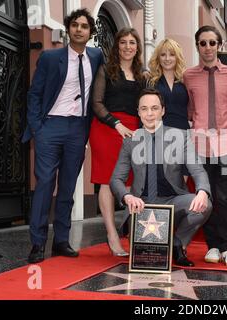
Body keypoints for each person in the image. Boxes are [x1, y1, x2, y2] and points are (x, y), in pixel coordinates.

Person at [22, 9, 104, 264]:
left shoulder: (96, 56)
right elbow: (34, 94)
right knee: (45, 183)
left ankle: (61, 241)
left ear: (91, 32)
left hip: (78, 128)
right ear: (69, 29)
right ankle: (37, 243)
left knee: (68, 187)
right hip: (51, 127)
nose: (79, 29)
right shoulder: (50, 57)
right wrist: (38, 127)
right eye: (75, 25)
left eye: (84, 26)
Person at [110, 88, 212, 267]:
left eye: (155, 108)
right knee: (148, 260)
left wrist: (202, 191)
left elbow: (198, 170)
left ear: (163, 110)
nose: (149, 114)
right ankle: (155, 242)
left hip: (172, 200)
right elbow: (116, 179)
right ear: (138, 111)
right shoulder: (130, 141)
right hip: (140, 205)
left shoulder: (180, 137)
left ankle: (177, 244)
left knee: (205, 205)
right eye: (144, 108)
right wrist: (128, 197)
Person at [183, 25, 227, 267]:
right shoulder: (188, 76)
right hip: (200, 145)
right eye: (203, 43)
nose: (208, 47)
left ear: (220, 45)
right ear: (197, 47)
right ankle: (213, 245)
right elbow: (188, 109)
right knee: (205, 197)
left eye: (212, 43)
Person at [89, 28, 145, 256]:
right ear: (117, 46)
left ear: (137, 47)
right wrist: (117, 124)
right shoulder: (106, 70)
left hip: (133, 130)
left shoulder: (142, 75)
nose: (128, 47)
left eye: (132, 42)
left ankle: (129, 231)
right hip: (107, 127)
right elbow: (97, 103)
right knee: (107, 181)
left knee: (131, 182)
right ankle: (112, 235)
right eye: (123, 42)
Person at [148, 38, 189, 130]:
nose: (167, 59)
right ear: (158, 57)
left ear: (177, 57)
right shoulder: (151, 81)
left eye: (172, 55)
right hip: (157, 132)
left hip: (183, 132)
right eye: (163, 55)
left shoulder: (185, 80)